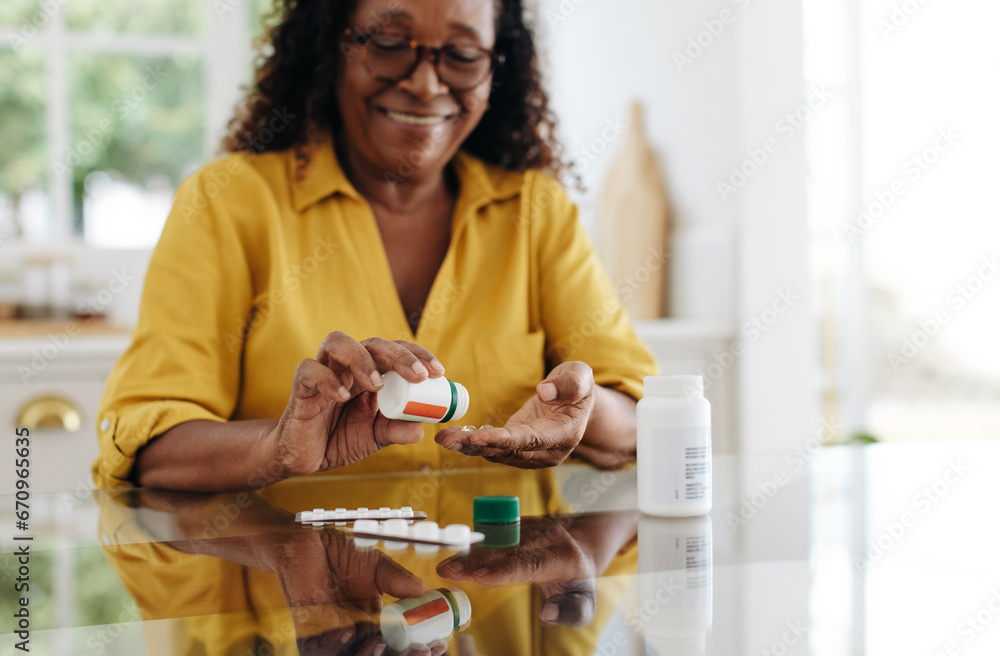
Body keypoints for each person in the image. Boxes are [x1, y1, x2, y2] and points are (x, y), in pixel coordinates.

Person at [92, 0, 658, 492]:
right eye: (389, 43)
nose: (426, 83)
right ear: (329, 47)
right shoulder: (229, 202)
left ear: (494, 67)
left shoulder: (536, 212)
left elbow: (639, 415)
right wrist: (281, 446)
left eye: (461, 55)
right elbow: (150, 443)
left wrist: (581, 415)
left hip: (494, 604)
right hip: (285, 604)